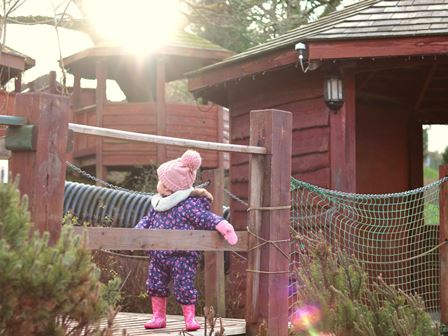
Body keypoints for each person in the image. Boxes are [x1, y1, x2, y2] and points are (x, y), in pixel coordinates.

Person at [135, 149, 238, 331]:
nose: (160, 184)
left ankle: (189, 319)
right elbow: (147, 221)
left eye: (163, 181)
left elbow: (205, 218)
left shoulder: (188, 205)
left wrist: (223, 225)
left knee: (184, 286)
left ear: (170, 186)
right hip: (158, 256)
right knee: (155, 284)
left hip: (182, 256)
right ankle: (158, 317)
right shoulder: (158, 204)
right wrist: (136, 234)